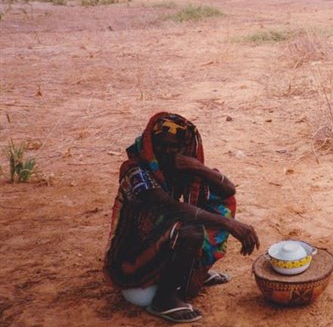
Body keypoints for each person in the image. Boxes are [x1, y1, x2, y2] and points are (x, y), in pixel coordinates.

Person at [103, 112, 260, 323]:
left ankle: (191, 273)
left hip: (160, 242)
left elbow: (227, 190)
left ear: (183, 148)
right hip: (132, 258)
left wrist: (198, 166)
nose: (167, 151)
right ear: (150, 144)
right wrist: (229, 224)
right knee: (189, 230)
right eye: (161, 145)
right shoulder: (136, 172)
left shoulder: (179, 169)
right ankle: (164, 300)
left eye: (174, 146)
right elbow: (173, 208)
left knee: (217, 205)